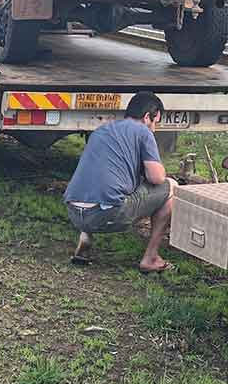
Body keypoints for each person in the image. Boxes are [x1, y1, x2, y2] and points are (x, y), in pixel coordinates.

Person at [64, 91, 174, 273]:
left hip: (75, 213)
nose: (154, 128)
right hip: (105, 215)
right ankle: (151, 258)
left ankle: (85, 240)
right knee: (170, 187)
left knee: (101, 181)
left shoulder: (101, 130)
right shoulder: (143, 132)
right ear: (147, 117)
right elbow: (157, 178)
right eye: (156, 122)